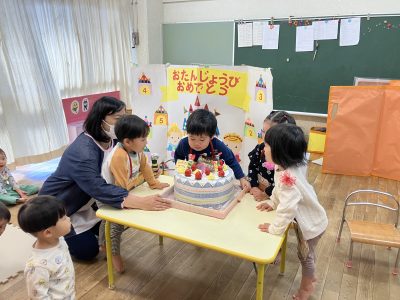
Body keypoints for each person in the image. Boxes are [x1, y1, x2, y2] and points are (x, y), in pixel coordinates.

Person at [39, 96, 171, 261]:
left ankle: (90, 230)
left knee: (118, 224)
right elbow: (98, 187)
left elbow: (134, 162)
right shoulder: (83, 152)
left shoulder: (115, 140)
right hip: (63, 207)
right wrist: (142, 202)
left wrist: (149, 176)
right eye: (118, 119)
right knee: (88, 252)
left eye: (124, 117)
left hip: (88, 201)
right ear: (100, 120)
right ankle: (56, 231)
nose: (123, 123)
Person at [257, 124, 328, 300]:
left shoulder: (289, 179)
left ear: (279, 151)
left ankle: (307, 286)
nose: (263, 147)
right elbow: (278, 190)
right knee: (306, 255)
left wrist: (275, 229)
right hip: (305, 220)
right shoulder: (283, 167)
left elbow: (288, 209)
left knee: (305, 256)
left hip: (311, 225)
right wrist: (272, 202)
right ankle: (310, 278)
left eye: (266, 145)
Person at [99, 115, 170, 273]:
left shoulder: (138, 150)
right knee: (115, 223)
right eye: (143, 139)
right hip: (110, 194)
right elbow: (121, 187)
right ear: (127, 142)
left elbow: (145, 167)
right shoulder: (119, 156)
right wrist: (138, 186)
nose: (146, 142)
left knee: (106, 222)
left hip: (123, 189)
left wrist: (153, 183)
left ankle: (104, 245)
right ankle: (113, 252)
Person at [174, 109, 251, 190]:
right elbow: (178, 156)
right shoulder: (184, 143)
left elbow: (231, 160)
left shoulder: (218, 145)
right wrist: (180, 170)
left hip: (212, 185)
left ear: (211, 137)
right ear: (187, 133)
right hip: (191, 183)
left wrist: (242, 178)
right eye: (192, 139)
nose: (196, 143)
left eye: (202, 140)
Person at [18, 196, 75, 299]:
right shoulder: (38, 266)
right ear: (48, 232)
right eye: (64, 218)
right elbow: (38, 297)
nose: (69, 218)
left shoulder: (59, 239)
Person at [248, 111, 296, 201]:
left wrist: (266, 194)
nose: (265, 136)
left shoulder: (285, 160)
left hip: (277, 198)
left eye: (269, 133)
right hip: (259, 193)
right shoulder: (260, 148)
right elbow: (252, 167)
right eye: (263, 131)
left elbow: (280, 182)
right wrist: (254, 185)